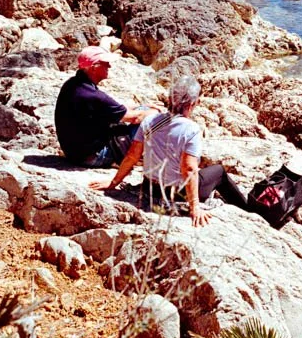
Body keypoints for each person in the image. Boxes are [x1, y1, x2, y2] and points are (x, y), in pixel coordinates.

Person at [90, 74, 249, 227]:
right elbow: (188, 169)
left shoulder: (150, 121)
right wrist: (195, 207)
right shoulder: (191, 130)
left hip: (149, 189)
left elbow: (132, 156)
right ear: (193, 103)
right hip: (175, 194)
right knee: (219, 172)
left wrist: (113, 182)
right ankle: (248, 211)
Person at [54, 46, 152, 166]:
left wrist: (142, 107)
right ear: (94, 68)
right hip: (93, 155)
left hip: (74, 152)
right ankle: (138, 158)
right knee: (149, 118)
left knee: (141, 109)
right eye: (105, 63)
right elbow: (134, 118)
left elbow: (114, 109)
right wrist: (155, 112)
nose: (109, 66)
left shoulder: (73, 85)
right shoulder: (93, 96)